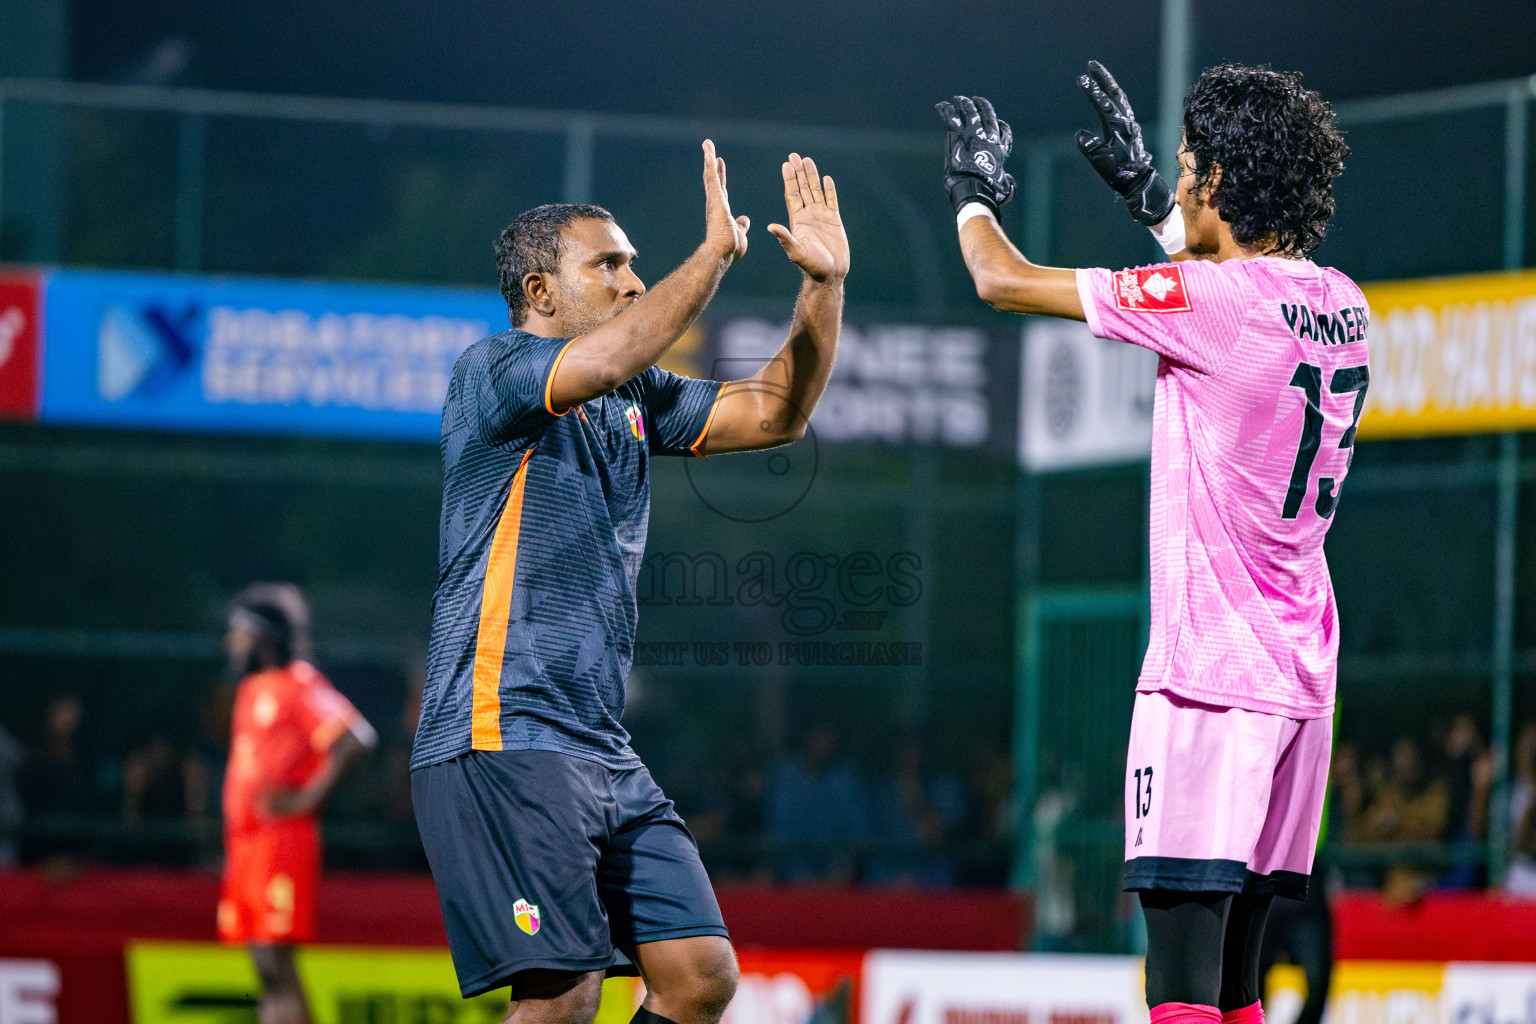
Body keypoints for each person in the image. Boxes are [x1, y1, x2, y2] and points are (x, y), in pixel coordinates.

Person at [938, 61, 1357, 1024]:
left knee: (1177, 996)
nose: (1173, 172)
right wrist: (1156, 204)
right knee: (1235, 987)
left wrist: (973, 195)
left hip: (1208, 682)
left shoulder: (1212, 305)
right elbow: (1237, 299)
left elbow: (998, 278)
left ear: (1218, 180)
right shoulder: (1345, 305)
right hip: (1301, 686)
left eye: (1184, 164)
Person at [410, 140, 848, 1024]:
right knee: (563, 991)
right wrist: (715, 255)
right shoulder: (491, 373)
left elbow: (776, 412)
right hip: (503, 728)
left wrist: (823, 286)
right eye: (608, 264)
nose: (633, 281)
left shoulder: (634, 397)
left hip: (599, 743)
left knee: (699, 977)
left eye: (635, 265)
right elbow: (604, 360)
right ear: (539, 293)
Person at [218, 583, 377, 1024]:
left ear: (261, 637)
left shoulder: (298, 682)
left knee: (275, 963)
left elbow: (356, 739)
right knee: (264, 967)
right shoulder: (253, 689)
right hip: (248, 845)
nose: (231, 642)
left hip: (280, 841)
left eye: (237, 631)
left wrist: (309, 796)